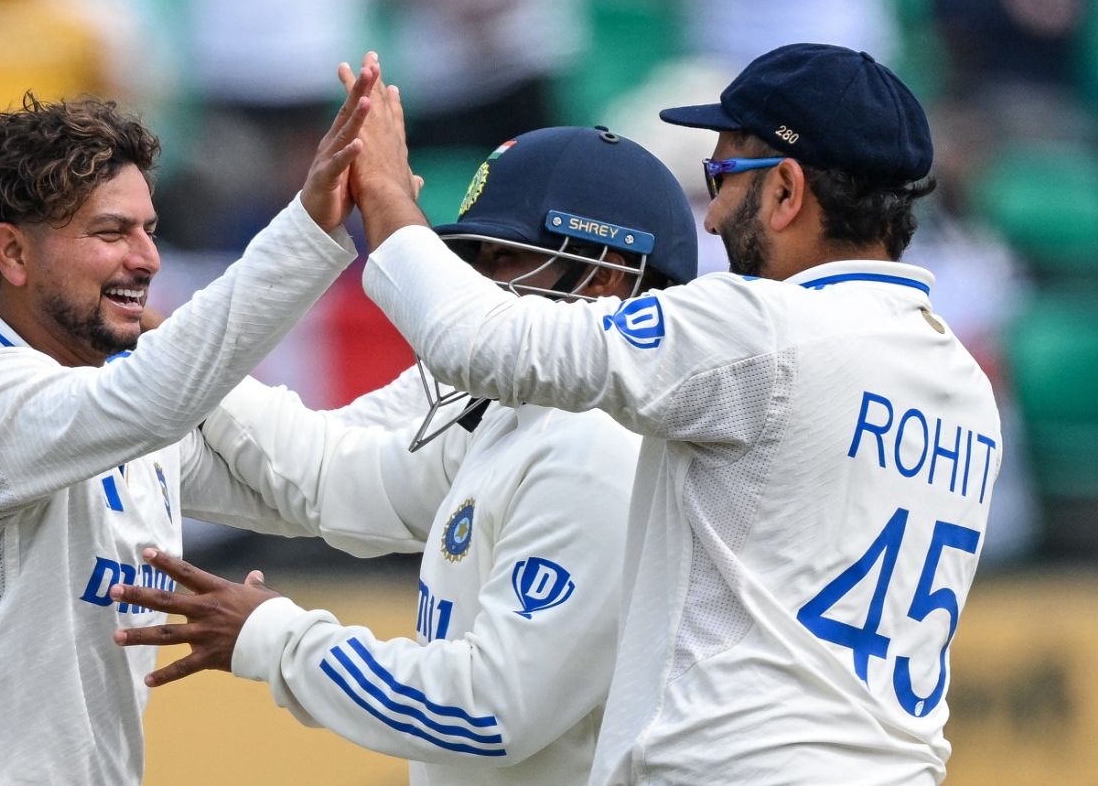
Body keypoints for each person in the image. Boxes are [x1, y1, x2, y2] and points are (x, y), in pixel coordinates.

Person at [349, 44, 1003, 783]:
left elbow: (485, 342)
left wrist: (386, 199)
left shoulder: (760, 328)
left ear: (787, 190)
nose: (715, 213)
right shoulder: (962, 381)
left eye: (722, 175)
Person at [109, 125, 699, 784]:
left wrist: (270, 637)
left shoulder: (601, 448)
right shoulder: (517, 410)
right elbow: (329, 477)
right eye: (469, 256)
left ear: (605, 279)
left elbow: (487, 713)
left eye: (502, 257)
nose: (472, 283)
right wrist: (148, 378)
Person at [0, 58, 381, 785]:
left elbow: (303, 485)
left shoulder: (116, 407)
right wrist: (307, 227)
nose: (146, 260)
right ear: (12, 252)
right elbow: (155, 398)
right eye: (112, 232)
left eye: (149, 229)